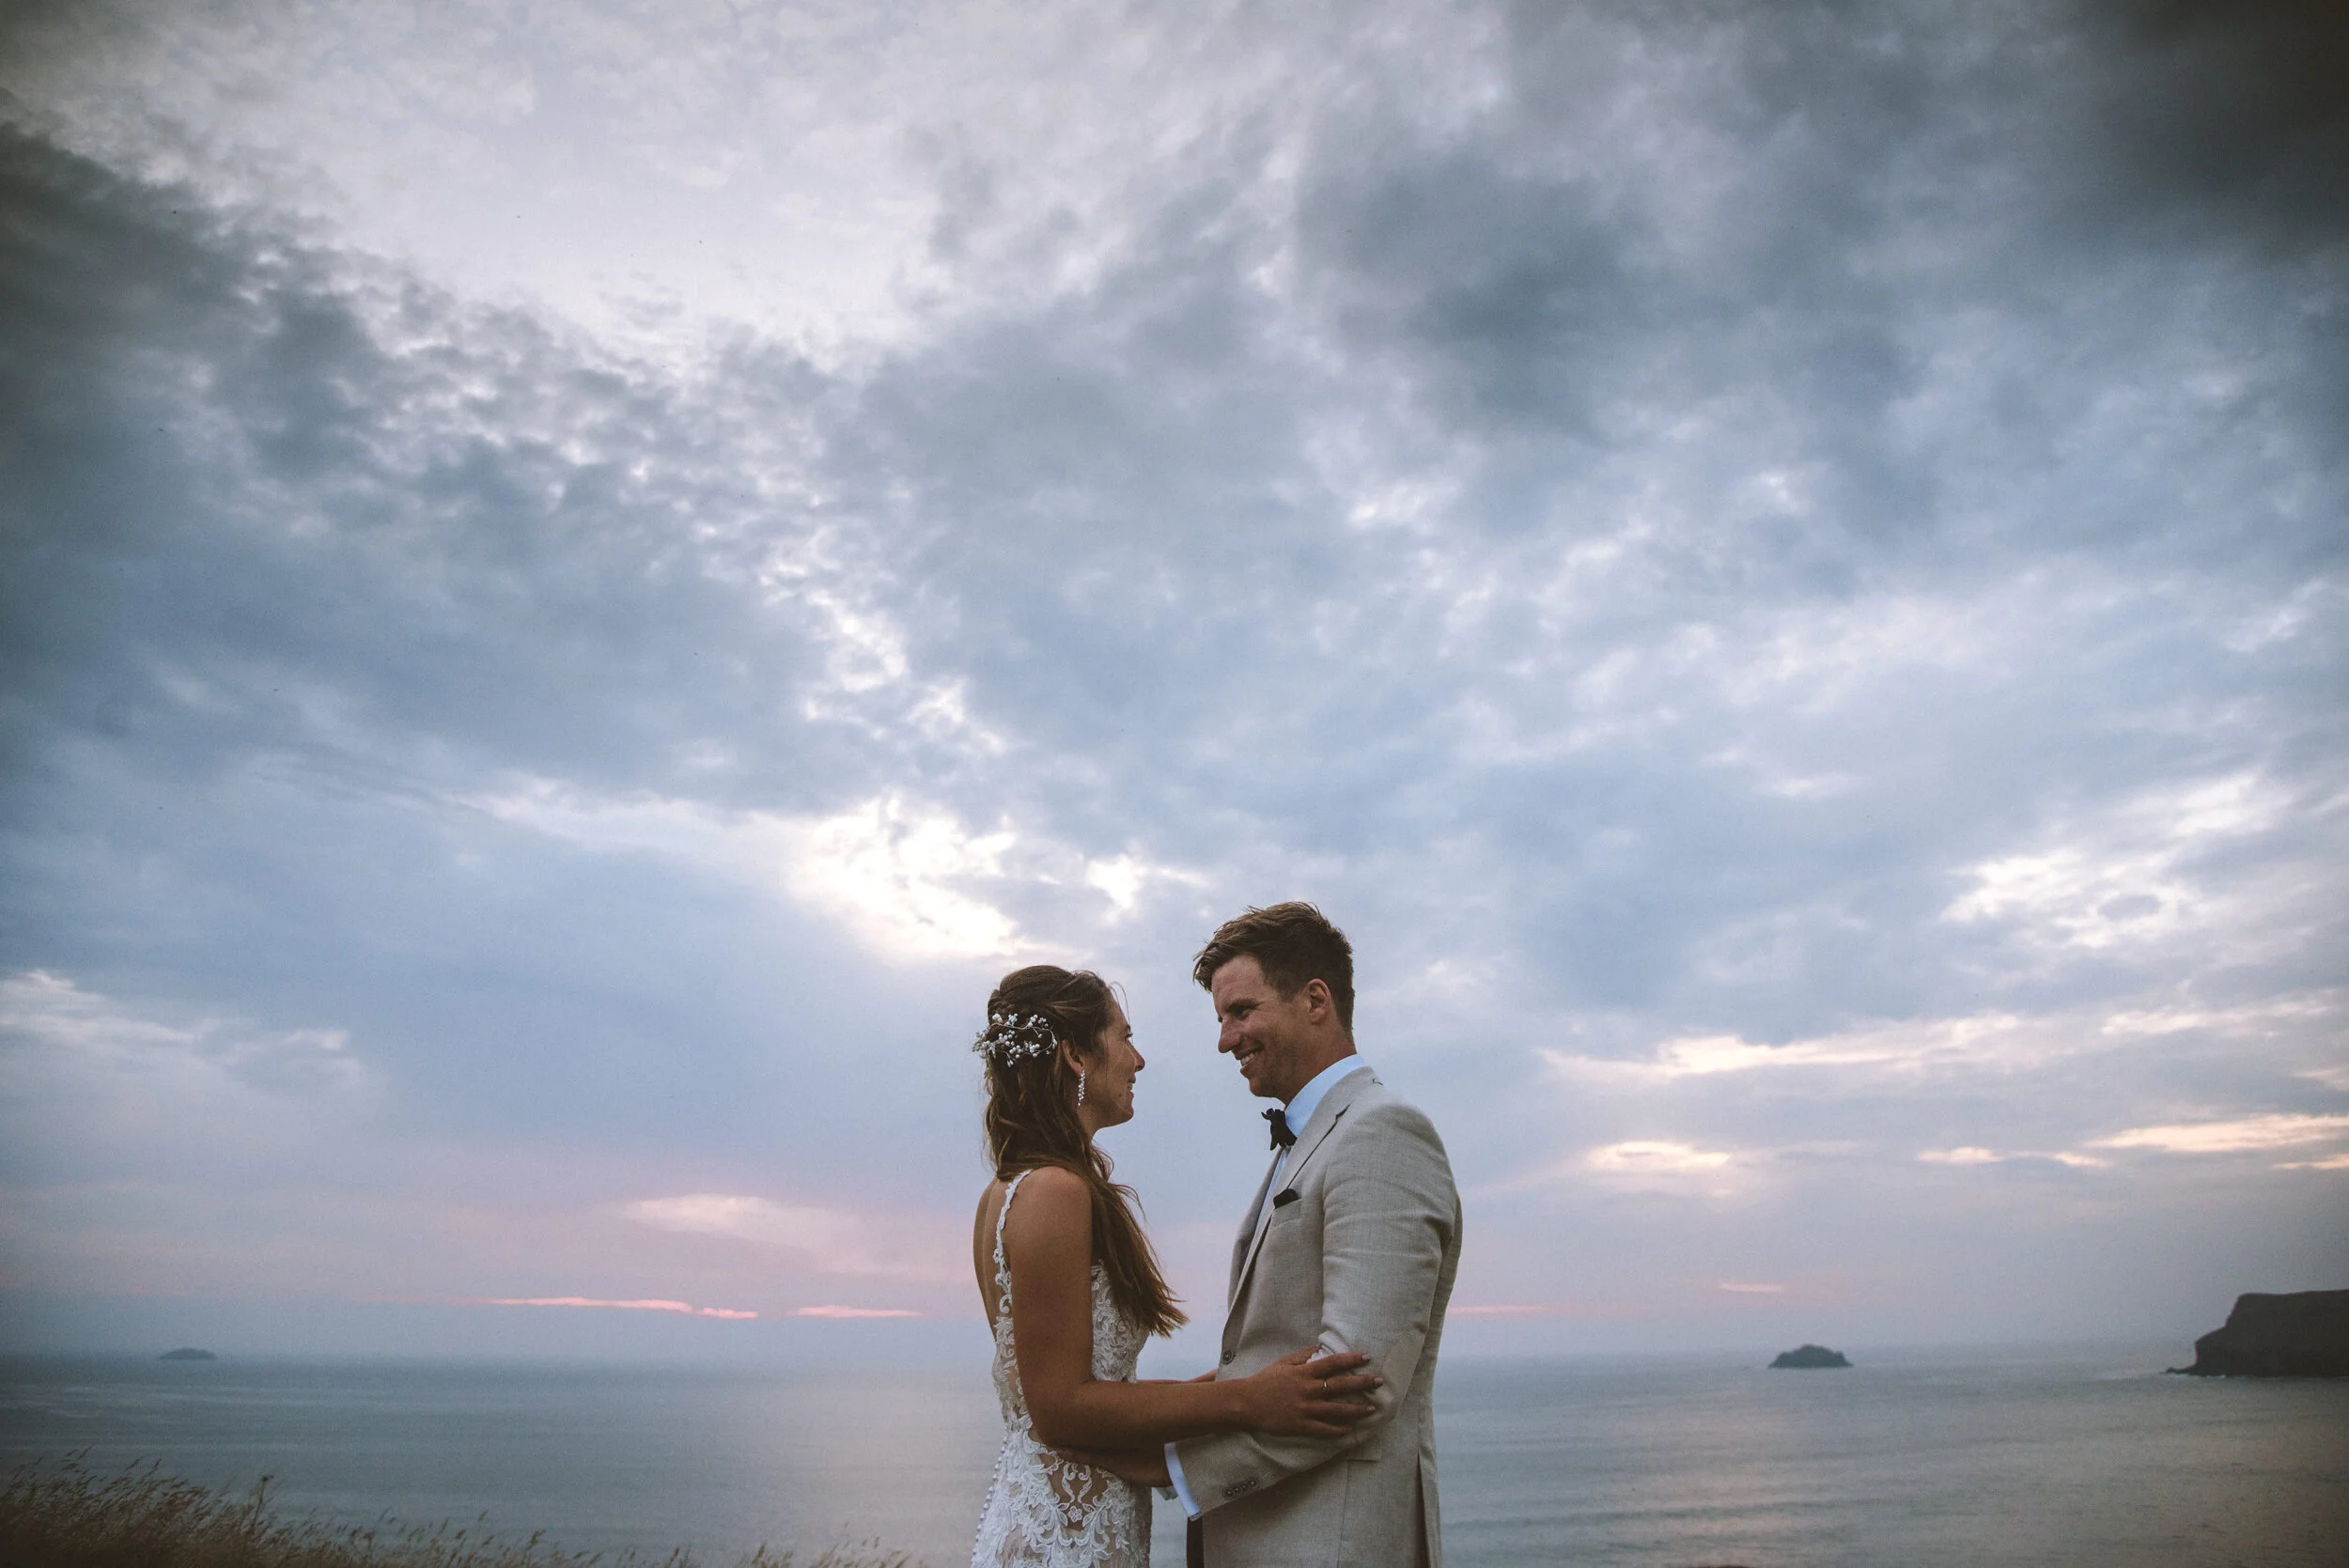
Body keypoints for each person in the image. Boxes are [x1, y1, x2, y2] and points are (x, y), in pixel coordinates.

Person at [970, 963, 1385, 1568]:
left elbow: (1099, 1394)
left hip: (1077, 1519)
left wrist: (1246, 1382)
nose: (1138, 1061)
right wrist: (1247, 1401)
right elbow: (1059, 1406)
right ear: (1076, 1055)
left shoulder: (1009, 1190)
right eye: (1124, 1036)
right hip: (1062, 1540)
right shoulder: (1053, 1192)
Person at [1162, 904, 1461, 1568]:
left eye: (1241, 1011)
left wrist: (1183, 1466)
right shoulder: (1309, 1137)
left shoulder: (1384, 1132)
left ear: (1315, 1000)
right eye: (1220, 1019)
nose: (1225, 1038)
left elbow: (1355, 1382)